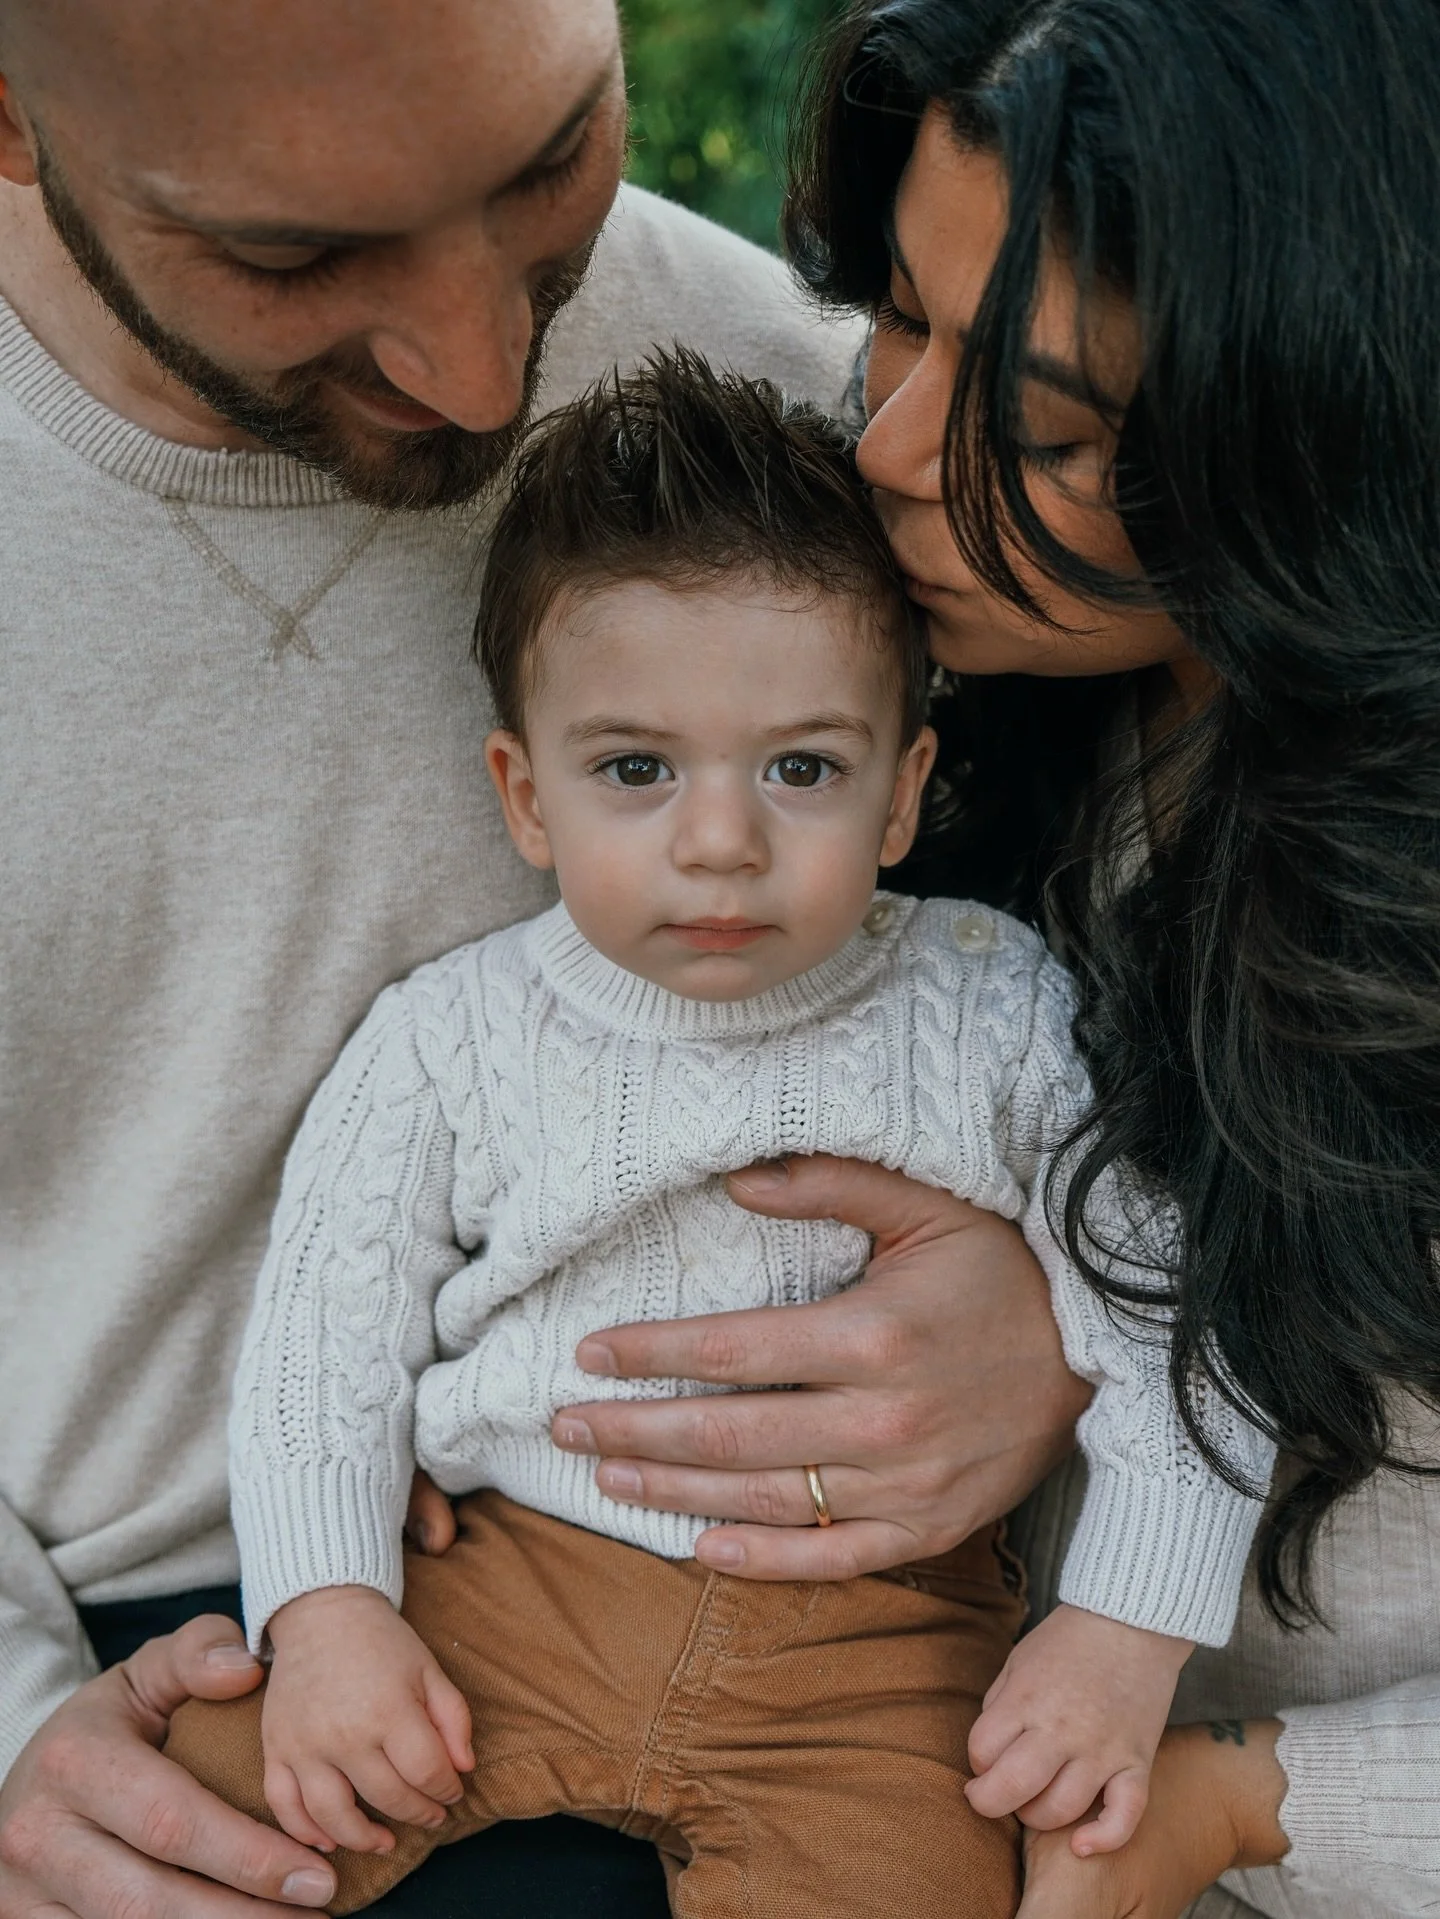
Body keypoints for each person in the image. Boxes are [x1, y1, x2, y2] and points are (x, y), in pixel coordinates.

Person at [161, 352, 1273, 1914]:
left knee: (943, 1880)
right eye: (635, 769)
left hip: (881, 1645)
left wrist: (1123, 1627)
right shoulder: (450, 1033)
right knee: (192, 1799)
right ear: (525, 794)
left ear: (902, 795)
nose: (721, 839)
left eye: (803, 768)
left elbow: (1173, 1319)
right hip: (504, 1581)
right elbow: (316, 1349)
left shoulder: (998, 1005)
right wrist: (330, 1609)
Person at [537, 1, 1440, 1915]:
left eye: (1035, 426)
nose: (888, 443)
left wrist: (1243, 1803)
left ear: (1315, 432)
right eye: (898, 317)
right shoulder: (1011, 721)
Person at [0, 3, 867, 1916]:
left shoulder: (811, 405)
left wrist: (1027, 1334)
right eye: (294, 255)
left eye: (551, 161)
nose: (485, 374)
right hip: (159, 1692)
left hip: (817, 1623)